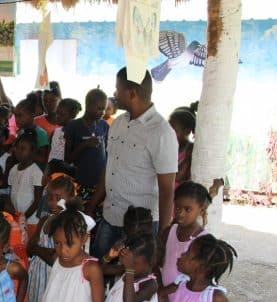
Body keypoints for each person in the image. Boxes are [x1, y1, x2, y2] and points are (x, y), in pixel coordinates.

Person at [88, 67, 178, 258]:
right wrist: (92, 204)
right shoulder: (119, 123)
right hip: (110, 216)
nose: (114, 94)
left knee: (134, 281)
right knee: (99, 272)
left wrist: (162, 234)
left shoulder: (161, 132)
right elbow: (110, 168)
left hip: (140, 226)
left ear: (132, 93)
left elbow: (167, 189)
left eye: (117, 89)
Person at [26, 175, 76, 302]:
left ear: (71, 198)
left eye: (58, 198)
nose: (53, 203)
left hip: (54, 281)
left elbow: (56, 259)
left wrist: (37, 249)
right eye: (50, 197)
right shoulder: (44, 220)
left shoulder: (69, 225)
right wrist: (43, 251)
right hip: (38, 280)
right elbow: (29, 248)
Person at [64, 88, 110, 203]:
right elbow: (67, 159)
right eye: (99, 108)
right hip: (81, 182)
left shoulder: (104, 126)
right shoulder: (74, 126)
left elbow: (108, 153)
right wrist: (84, 145)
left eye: (104, 109)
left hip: (100, 184)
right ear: (88, 106)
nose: (103, 113)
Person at [99, 206, 154, 278]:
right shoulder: (128, 250)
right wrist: (108, 257)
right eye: (132, 237)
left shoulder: (150, 280)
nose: (137, 240)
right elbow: (99, 270)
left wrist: (129, 269)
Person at [8, 131, 43, 232]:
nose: (19, 151)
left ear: (32, 152)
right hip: (17, 218)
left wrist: (24, 218)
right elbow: (11, 193)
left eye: (23, 149)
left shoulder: (36, 172)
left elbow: (37, 201)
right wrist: (15, 216)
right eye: (17, 148)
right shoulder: (13, 169)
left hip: (31, 220)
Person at [169, 103, 198, 188]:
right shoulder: (168, 147)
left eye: (173, 130)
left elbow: (178, 177)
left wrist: (187, 159)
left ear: (187, 131)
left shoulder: (190, 149)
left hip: (179, 194)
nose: (168, 133)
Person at [14, 98, 50, 165]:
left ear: (32, 114)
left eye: (20, 115)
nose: (16, 119)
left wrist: (26, 153)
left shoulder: (41, 134)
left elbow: (43, 159)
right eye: (15, 115)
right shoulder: (21, 132)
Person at [48, 98, 82, 163]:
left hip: (66, 171)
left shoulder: (75, 134)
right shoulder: (55, 132)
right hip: (52, 170)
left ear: (73, 116)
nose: (57, 116)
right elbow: (50, 154)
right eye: (57, 113)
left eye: (62, 114)